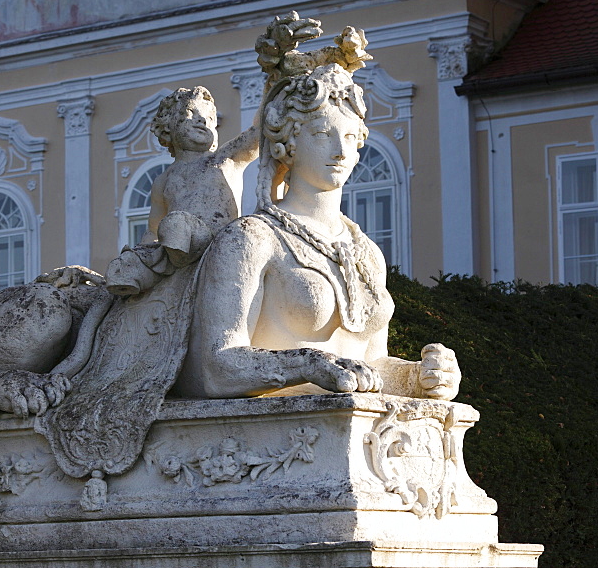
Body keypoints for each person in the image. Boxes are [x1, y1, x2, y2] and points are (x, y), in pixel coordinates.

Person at [175, 63, 461, 401]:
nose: (341, 150)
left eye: (351, 137)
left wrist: (418, 377)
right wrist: (308, 365)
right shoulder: (251, 238)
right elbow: (215, 368)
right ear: (289, 144)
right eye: (323, 134)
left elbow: (368, 366)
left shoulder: (367, 252)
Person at [104, 86, 259, 295]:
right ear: (168, 127)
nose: (202, 121)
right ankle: (139, 283)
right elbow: (152, 229)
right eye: (191, 114)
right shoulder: (164, 180)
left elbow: (257, 134)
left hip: (217, 239)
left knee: (175, 223)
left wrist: (274, 82)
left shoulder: (224, 159)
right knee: (126, 261)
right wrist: (141, 254)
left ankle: (180, 269)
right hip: (176, 243)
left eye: (209, 118)